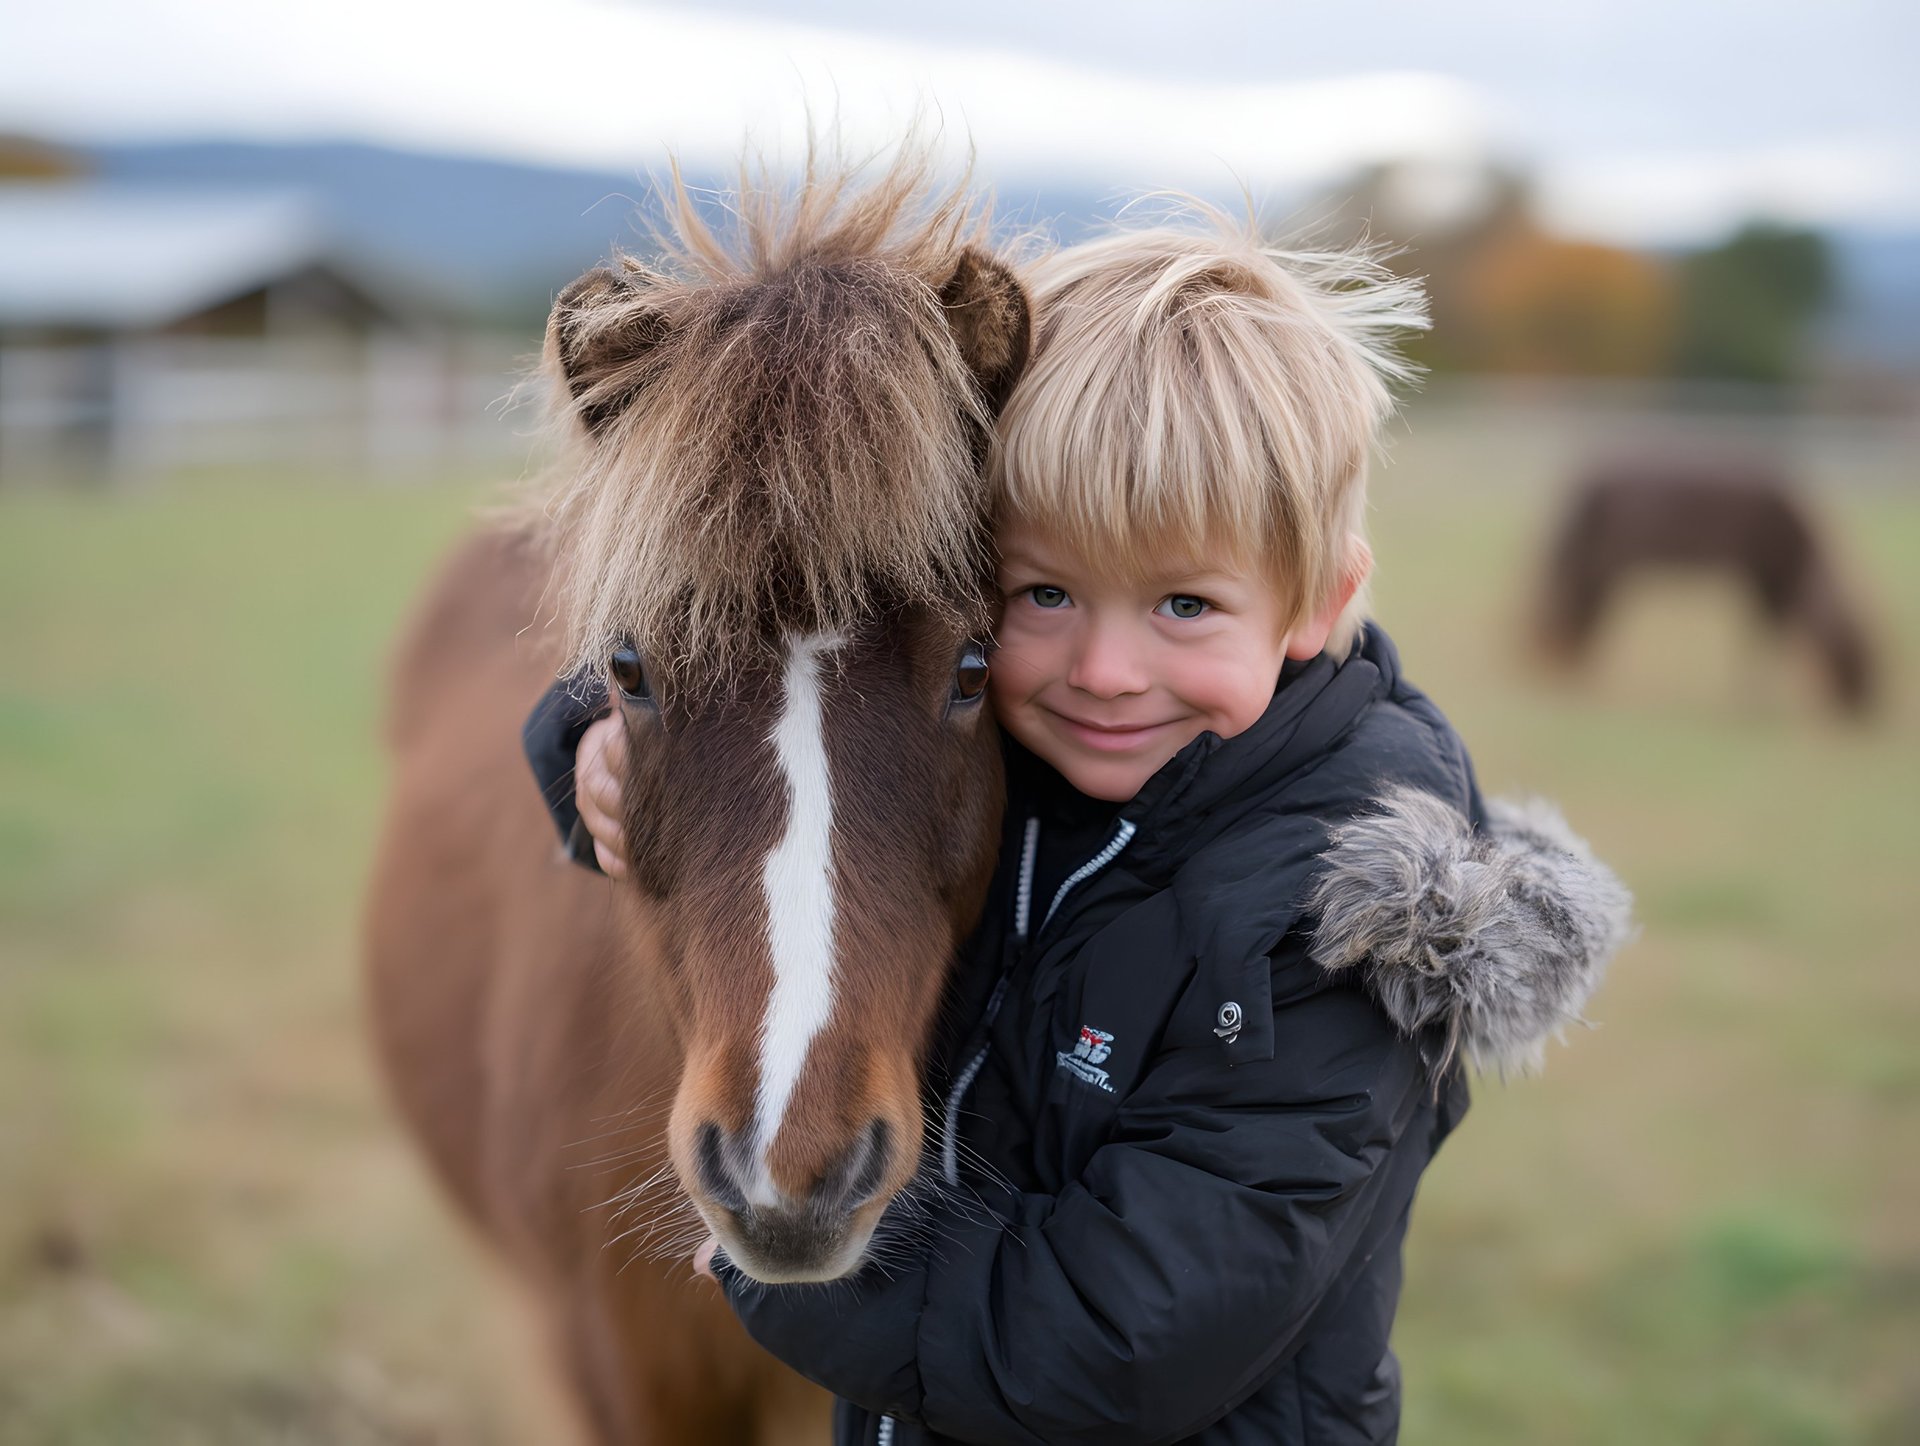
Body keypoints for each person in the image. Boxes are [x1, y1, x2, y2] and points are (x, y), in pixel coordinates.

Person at [524, 210, 1632, 1445]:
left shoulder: (1340, 938)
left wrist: (777, 1276)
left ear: (1323, 602)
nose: (1105, 670)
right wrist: (592, 734)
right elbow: (800, 674)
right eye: (1044, 593)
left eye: (1185, 603)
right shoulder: (1050, 752)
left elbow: (1113, 1346)